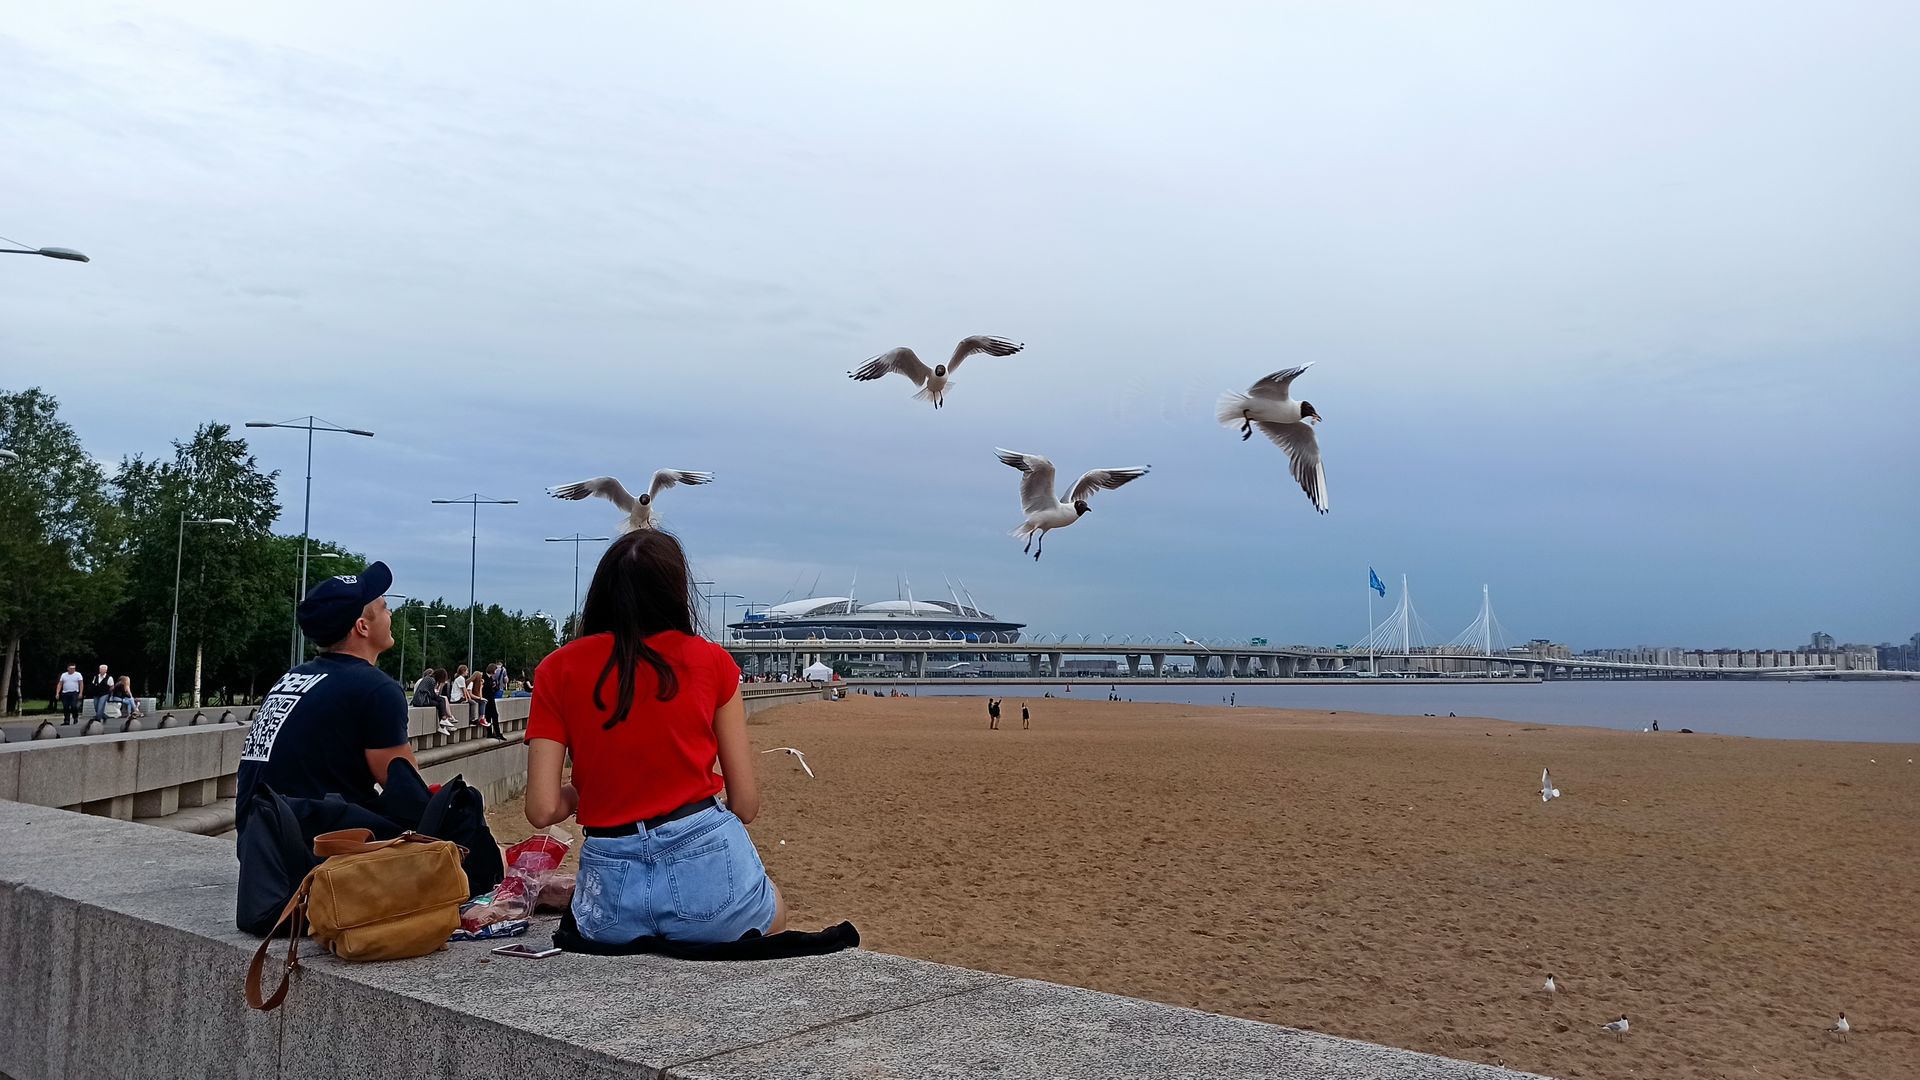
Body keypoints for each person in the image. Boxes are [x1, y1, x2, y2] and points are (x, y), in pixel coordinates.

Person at [524, 529, 784, 944]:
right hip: (705, 863)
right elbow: (745, 805)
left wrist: (581, 791)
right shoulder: (713, 662)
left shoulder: (556, 670)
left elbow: (541, 810)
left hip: (611, 894)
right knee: (773, 907)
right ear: (676, 592)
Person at [234, 562, 418, 833]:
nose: (391, 614)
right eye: (384, 608)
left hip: (262, 846)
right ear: (362, 627)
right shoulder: (377, 689)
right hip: (319, 854)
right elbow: (407, 792)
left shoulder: (293, 678)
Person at [412, 667, 455, 732]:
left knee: (441, 701)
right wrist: (439, 697)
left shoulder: (429, 678)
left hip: (420, 699)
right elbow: (432, 695)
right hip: (422, 700)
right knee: (441, 700)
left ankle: (443, 723)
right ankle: (443, 721)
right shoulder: (432, 680)